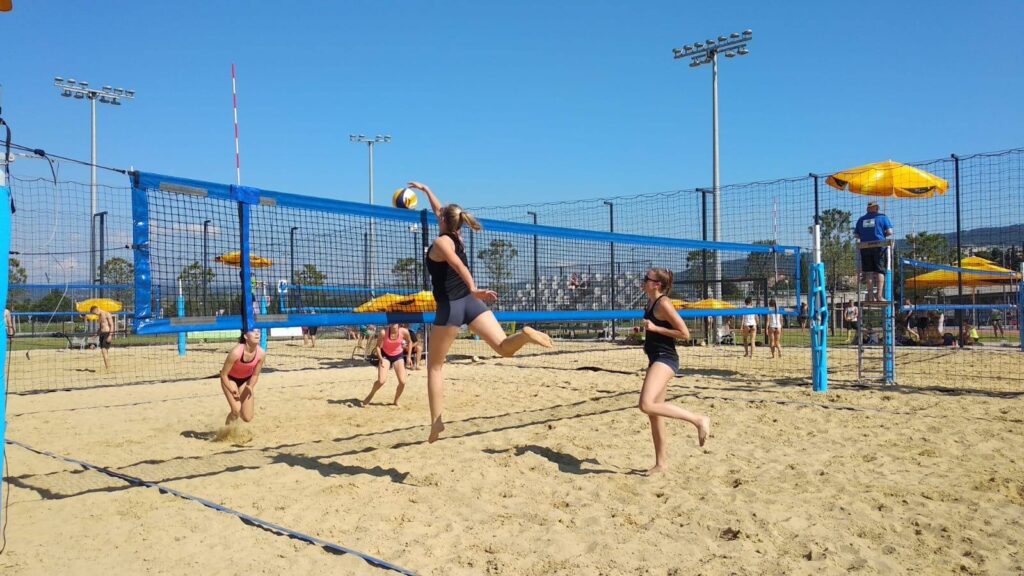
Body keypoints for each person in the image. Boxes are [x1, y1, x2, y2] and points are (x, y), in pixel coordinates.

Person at [408, 181, 553, 443]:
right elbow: (442, 211)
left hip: (451, 306)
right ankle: (524, 334)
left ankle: (436, 422)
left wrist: (474, 287)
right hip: (471, 304)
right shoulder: (457, 236)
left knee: (434, 368)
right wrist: (426, 190)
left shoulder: (441, 242)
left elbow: (456, 265)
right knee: (504, 348)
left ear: (443, 220)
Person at [638, 267, 710, 475]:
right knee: (654, 413)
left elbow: (685, 333)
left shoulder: (664, 303)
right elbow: (655, 329)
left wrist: (655, 328)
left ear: (657, 284)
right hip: (655, 358)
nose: (643, 281)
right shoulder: (651, 302)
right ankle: (661, 464)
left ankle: (698, 419)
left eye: (647, 278)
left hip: (666, 359)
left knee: (646, 404)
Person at [218, 329, 266, 424]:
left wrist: (250, 386)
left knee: (247, 417)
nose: (257, 334)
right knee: (236, 410)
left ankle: (234, 424)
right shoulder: (236, 352)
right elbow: (223, 374)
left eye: (258, 331)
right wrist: (231, 390)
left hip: (245, 380)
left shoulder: (261, 353)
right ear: (245, 336)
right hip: (230, 378)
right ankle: (226, 432)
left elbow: (255, 375)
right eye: (253, 331)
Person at [853, 201, 894, 301]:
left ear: (867, 209)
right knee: (880, 270)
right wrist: (880, 234)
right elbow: (890, 232)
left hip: (865, 247)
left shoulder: (861, 219)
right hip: (879, 246)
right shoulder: (882, 217)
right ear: (876, 208)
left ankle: (870, 296)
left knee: (869, 272)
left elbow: (856, 235)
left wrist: (866, 235)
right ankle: (879, 296)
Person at [363, 323, 411, 406]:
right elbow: (378, 346)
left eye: (395, 323)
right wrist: (380, 358)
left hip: (398, 356)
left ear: (398, 324)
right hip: (385, 356)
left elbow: (410, 342)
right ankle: (370, 395)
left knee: (403, 382)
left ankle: (396, 400)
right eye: (392, 322)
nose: (393, 325)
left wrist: (409, 357)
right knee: (381, 381)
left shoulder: (403, 331)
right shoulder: (384, 332)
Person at [89, 305, 115, 369]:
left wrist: (110, 335)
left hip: (107, 333)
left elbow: (112, 325)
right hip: (102, 334)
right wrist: (96, 334)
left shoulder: (107, 314)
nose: (95, 314)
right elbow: (101, 327)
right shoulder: (99, 316)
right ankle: (108, 366)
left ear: (97, 309)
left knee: (103, 351)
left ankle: (108, 368)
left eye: (94, 313)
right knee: (105, 352)